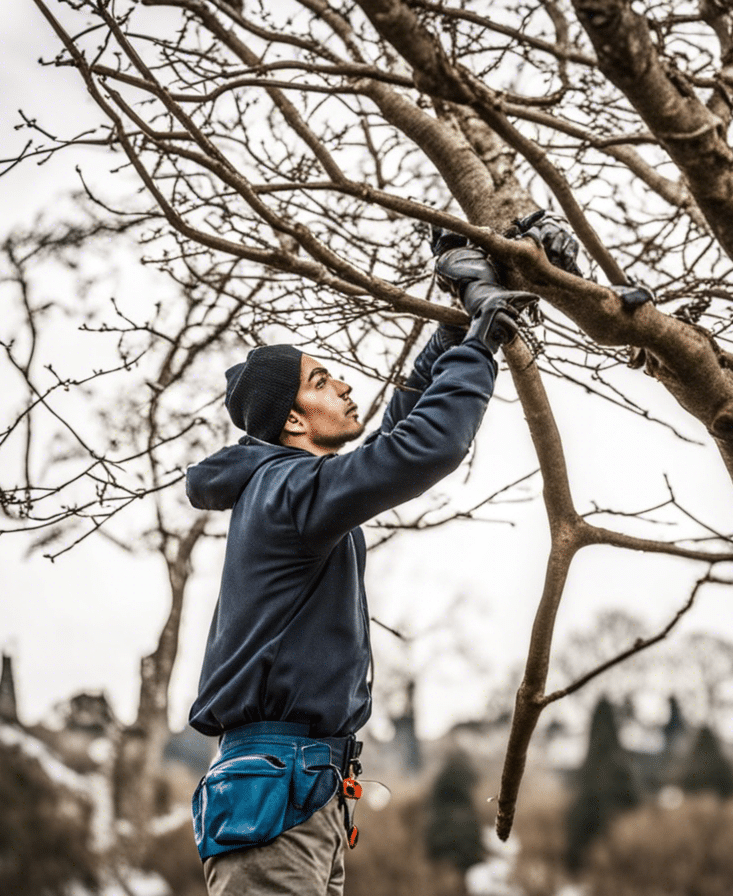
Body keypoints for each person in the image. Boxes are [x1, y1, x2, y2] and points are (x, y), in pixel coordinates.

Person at [184, 229, 544, 895]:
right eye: (321, 380)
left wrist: (456, 330)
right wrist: (480, 345)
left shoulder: (291, 489)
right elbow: (417, 451)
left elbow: (398, 430)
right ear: (293, 421)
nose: (345, 384)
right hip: (276, 791)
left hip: (301, 789)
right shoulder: (288, 492)